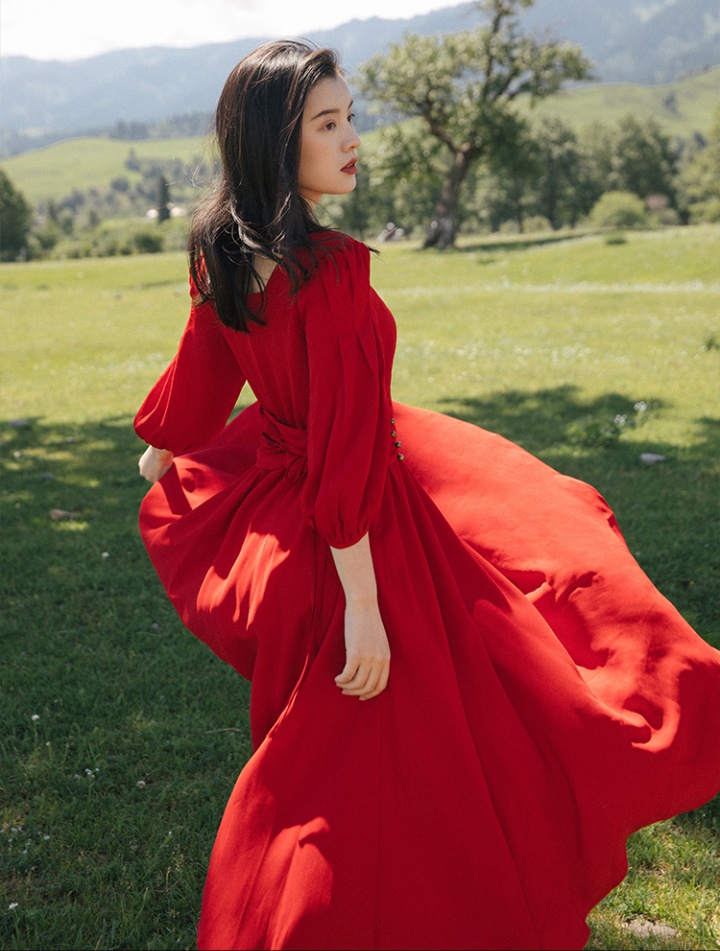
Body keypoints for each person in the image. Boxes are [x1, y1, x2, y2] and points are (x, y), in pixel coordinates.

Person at [135, 40, 720, 951]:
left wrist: (164, 448)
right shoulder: (328, 273)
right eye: (327, 123)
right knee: (427, 747)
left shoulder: (222, 254)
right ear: (273, 142)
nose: (353, 138)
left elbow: (203, 383)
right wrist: (366, 606)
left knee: (336, 761)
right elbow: (346, 454)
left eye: (351, 117)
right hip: (355, 541)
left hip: (285, 548)